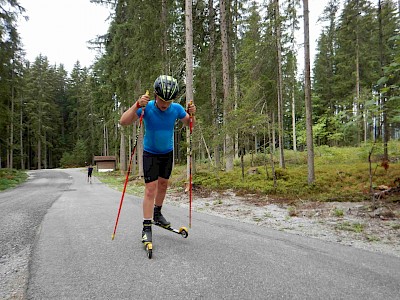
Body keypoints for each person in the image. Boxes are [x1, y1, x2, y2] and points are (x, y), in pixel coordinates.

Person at [120, 75, 196, 245]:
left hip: (167, 153)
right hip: (150, 153)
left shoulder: (176, 109)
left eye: (168, 101)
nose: (165, 104)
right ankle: (146, 226)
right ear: (155, 95)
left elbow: (190, 125)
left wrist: (192, 115)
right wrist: (137, 105)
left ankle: (157, 213)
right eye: (162, 100)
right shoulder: (147, 108)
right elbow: (123, 121)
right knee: (150, 189)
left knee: (163, 185)